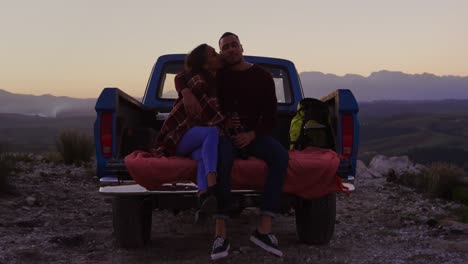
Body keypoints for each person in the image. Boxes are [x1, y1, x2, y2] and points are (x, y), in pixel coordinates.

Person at [209, 32, 289, 260]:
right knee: (221, 159)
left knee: (280, 156)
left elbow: (271, 117)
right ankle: (220, 235)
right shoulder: (218, 76)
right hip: (226, 135)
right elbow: (186, 76)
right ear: (222, 53)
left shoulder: (262, 76)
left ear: (242, 47)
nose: (231, 49)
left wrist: (252, 134)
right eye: (226, 47)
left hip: (255, 136)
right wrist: (223, 122)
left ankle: (263, 229)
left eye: (234, 45)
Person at [152, 43, 224, 215]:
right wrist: (186, 92)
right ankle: (213, 185)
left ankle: (203, 195)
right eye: (214, 54)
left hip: (195, 139)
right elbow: (181, 76)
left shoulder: (218, 77)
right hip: (178, 136)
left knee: (202, 156)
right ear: (206, 65)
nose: (219, 55)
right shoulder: (197, 81)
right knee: (213, 132)